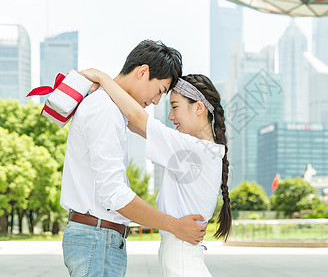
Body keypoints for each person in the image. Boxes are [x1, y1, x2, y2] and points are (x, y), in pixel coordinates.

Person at [60, 40, 207, 277]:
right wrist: (175, 226)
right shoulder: (105, 110)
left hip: (99, 239)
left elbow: (143, 125)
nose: (157, 101)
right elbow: (114, 194)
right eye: (160, 90)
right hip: (97, 239)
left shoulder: (111, 109)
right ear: (142, 72)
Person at [81, 68, 232, 277]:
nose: (170, 116)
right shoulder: (200, 150)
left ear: (198, 108)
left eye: (175, 106)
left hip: (182, 261)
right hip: (182, 257)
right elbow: (135, 124)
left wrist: (101, 77)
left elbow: (137, 117)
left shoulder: (195, 150)